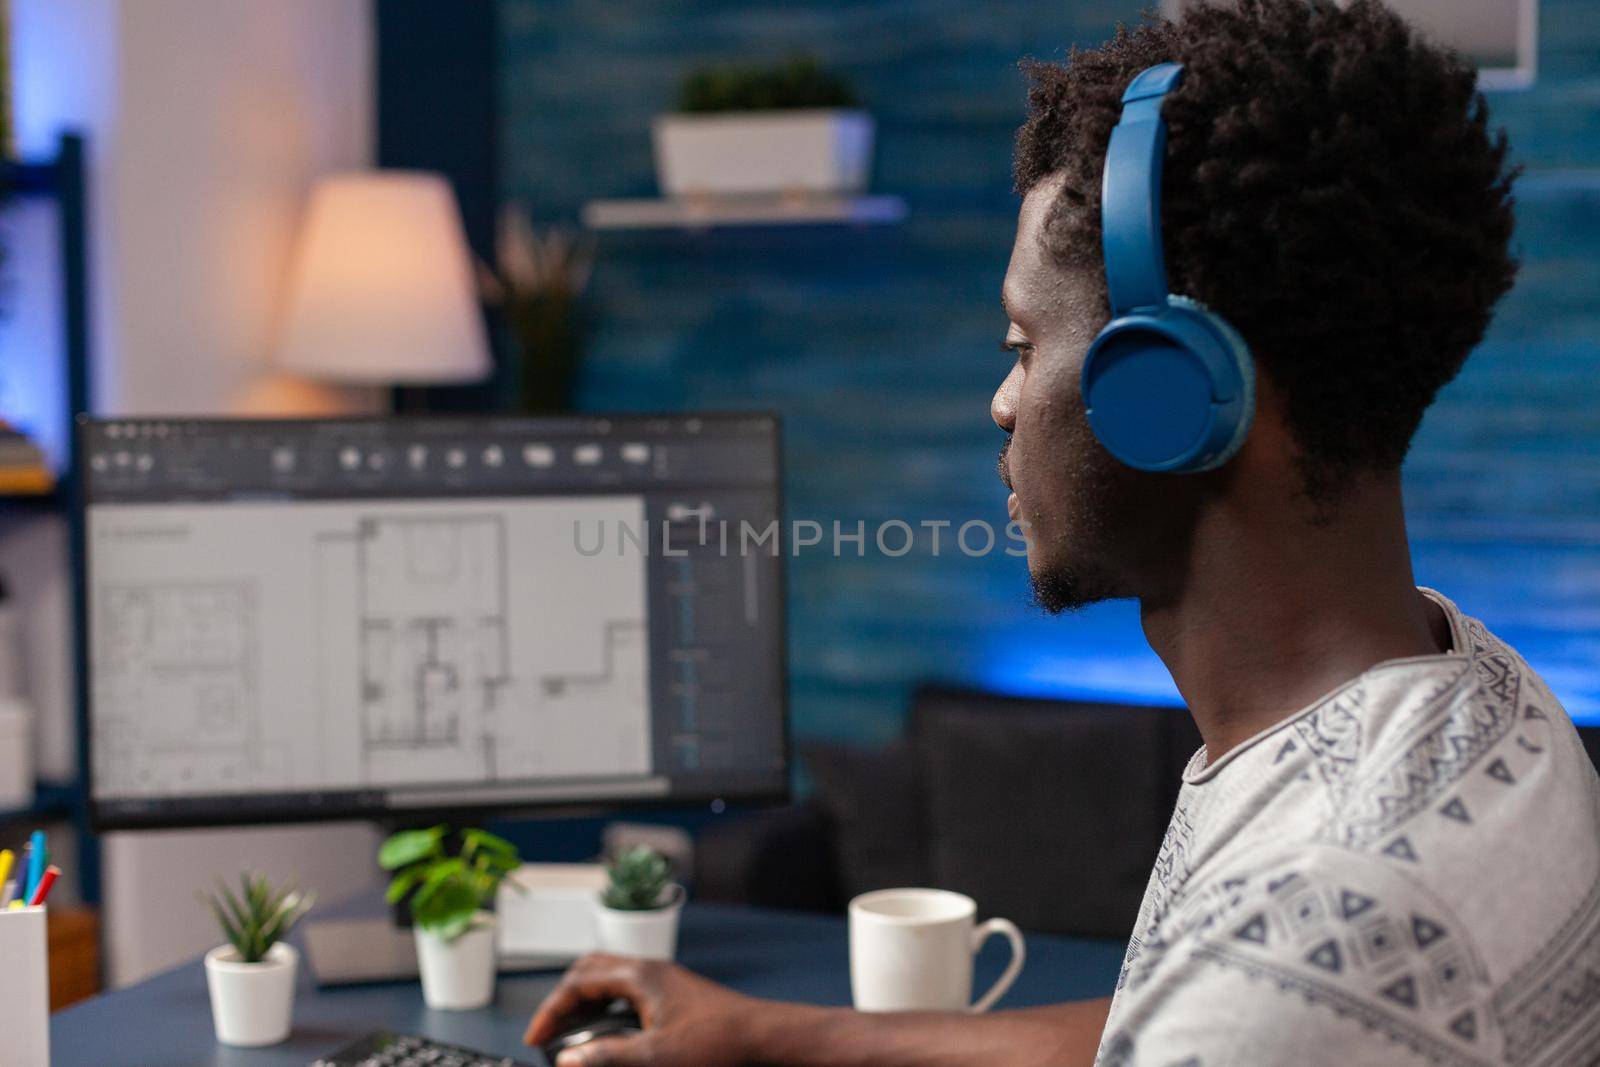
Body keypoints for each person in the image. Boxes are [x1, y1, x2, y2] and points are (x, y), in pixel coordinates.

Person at [525, 1, 1600, 1063]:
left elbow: (1244, 1018)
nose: (1001, 402)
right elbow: (1175, 1021)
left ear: (1171, 392)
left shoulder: (1308, 956)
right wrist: (771, 1031)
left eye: (1023, 342)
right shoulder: (1478, 692)